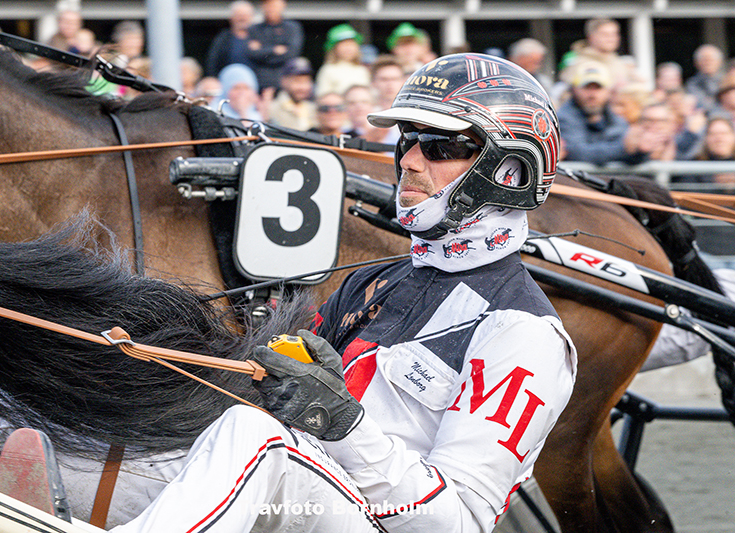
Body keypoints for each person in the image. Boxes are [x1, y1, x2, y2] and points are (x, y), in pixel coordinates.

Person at [111, 53, 576, 533]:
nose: (411, 160)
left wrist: (345, 426)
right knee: (113, 450)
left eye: (440, 146)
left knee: (256, 438)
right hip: (304, 498)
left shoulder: (523, 333)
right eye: (409, 140)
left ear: (511, 171)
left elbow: (456, 522)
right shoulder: (368, 282)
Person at [557, 60, 654, 166]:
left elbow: (631, 151)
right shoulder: (562, 117)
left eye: (598, 88)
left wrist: (639, 151)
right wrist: (623, 149)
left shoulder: (616, 118)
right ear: (573, 89)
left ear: (609, 91)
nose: (592, 95)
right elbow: (577, 153)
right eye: (587, 87)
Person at [246, 0, 303, 100]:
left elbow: (292, 53)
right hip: (260, 83)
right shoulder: (254, 29)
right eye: (268, 4)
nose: (271, 8)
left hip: (285, 82)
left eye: (274, 4)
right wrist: (274, 50)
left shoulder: (292, 27)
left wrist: (263, 50)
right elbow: (252, 54)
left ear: (283, 5)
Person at [315, 23, 371, 98]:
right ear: (333, 48)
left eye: (351, 44)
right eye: (344, 44)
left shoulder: (362, 70)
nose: (348, 48)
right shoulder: (328, 70)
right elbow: (322, 96)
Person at [206, 0, 255, 78]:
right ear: (231, 18)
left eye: (245, 15)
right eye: (239, 15)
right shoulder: (223, 38)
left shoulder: (260, 37)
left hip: (255, 84)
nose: (242, 18)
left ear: (251, 17)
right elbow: (213, 62)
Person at [267, 56, 317, 131]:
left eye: (306, 81)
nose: (303, 87)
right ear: (284, 81)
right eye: (297, 81)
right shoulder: (272, 109)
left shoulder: (314, 108)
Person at [685, 44, 725, 113]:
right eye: (704, 60)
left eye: (711, 60)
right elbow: (700, 103)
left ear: (720, 62)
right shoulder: (692, 83)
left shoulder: (727, 80)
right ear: (696, 63)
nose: (707, 63)